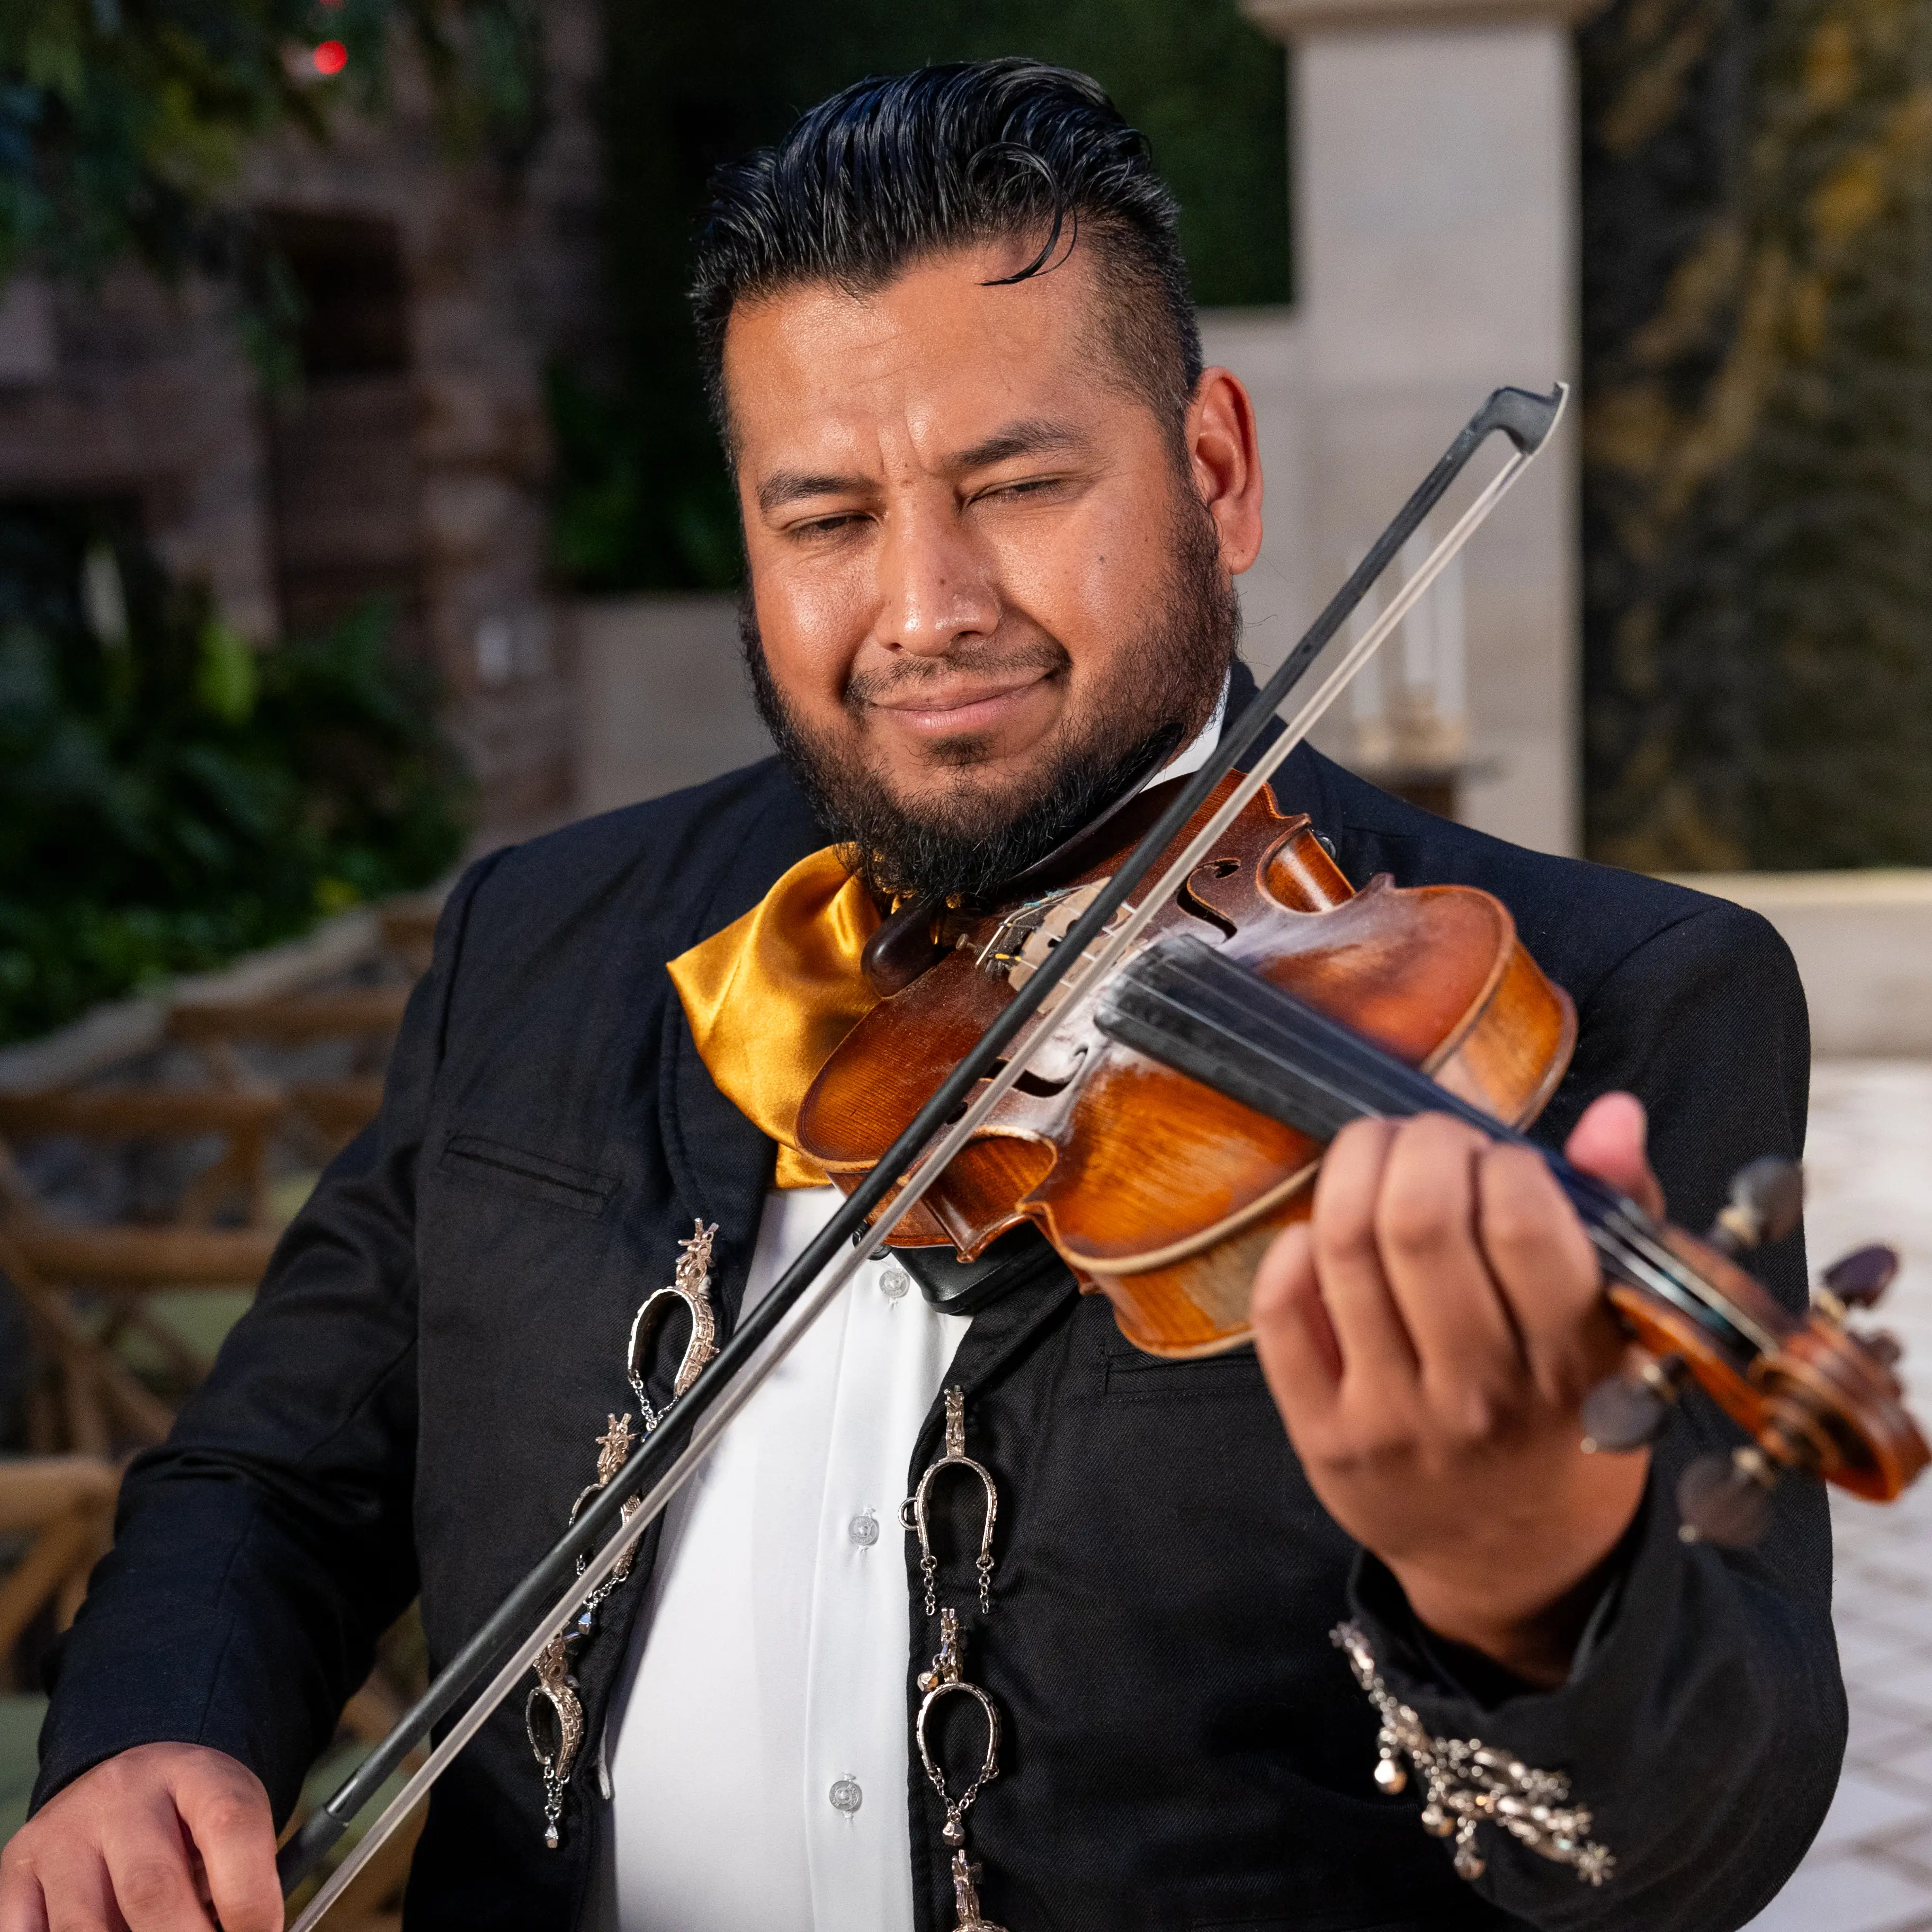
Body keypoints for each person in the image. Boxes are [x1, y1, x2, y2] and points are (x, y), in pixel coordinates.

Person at [0, 59, 1838, 1932]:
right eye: (824, 519)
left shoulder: (1617, 1003)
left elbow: (1696, 1847)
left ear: (1216, 468)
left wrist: (1529, 1580)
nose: (925, 605)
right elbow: (266, 1476)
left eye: (1018, 484)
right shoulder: (544, 940)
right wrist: (157, 1737)